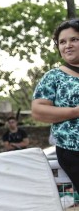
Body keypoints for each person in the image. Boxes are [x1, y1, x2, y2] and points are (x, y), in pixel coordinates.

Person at [33, 19, 79, 185]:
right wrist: (75, 111)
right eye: (62, 42)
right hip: (72, 150)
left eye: (74, 39)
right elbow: (38, 111)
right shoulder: (54, 77)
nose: (68, 45)